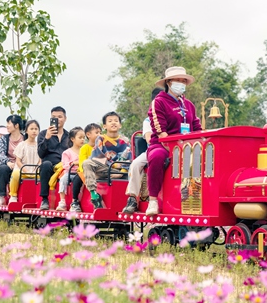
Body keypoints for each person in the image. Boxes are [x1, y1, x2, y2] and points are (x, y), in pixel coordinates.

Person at [145, 66, 202, 216]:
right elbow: (160, 132)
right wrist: (177, 145)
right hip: (163, 145)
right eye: (178, 80)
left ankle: (195, 199)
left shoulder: (189, 105)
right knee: (156, 157)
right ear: (169, 82)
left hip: (188, 145)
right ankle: (153, 200)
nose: (182, 83)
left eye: (184, 81)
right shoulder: (158, 102)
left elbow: (197, 128)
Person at [122, 87, 163, 214]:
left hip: (175, 149)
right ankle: (133, 198)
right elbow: (149, 139)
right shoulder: (148, 121)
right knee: (135, 164)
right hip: (155, 148)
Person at [82, 112, 131, 209]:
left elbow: (129, 158)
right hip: (104, 168)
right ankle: (94, 195)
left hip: (119, 171)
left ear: (120, 125)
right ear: (104, 126)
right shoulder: (100, 139)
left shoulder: (125, 141)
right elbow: (97, 156)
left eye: (116, 121)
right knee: (87, 163)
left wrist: (121, 172)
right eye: (110, 121)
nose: (113, 123)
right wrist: (112, 165)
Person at [37, 107, 69, 210]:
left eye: (60, 117)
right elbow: (41, 154)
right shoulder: (43, 134)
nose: (57, 119)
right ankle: (44, 199)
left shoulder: (69, 136)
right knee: (45, 164)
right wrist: (47, 138)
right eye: (54, 117)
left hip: (65, 166)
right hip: (49, 167)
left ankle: (72, 201)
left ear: (65, 118)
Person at [69, 123, 102, 212]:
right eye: (97, 132)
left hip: (97, 170)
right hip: (84, 170)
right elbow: (82, 162)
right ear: (88, 135)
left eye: (100, 132)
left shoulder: (101, 147)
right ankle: (74, 201)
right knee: (77, 179)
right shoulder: (85, 148)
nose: (99, 135)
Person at [0, 115, 25, 206]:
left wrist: (19, 164)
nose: (7, 126)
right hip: (8, 164)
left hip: (21, 165)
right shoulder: (4, 139)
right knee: (2, 169)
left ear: (16, 125)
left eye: (9, 123)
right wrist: (8, 162)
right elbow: (0, 153)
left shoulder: (25, 138)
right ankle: (1, 197)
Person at [8, 120, 41, 204]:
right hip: (22, 169)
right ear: (26, 130)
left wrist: (35, 170)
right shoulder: (22, 145)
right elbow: (18, 161)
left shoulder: (39, 145)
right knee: (15, 174)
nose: (34, 131)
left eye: (36, 129)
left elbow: (40, 160)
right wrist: (26, 170)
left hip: (35, 170)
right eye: (31, 129)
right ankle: (13, 195)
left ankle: (39, 198)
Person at [55, 127, 85, 211]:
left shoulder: (84, 151)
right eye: (80, 138)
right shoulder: (67, 152)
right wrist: (75, 165)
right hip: (70, 173)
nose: (82, 140)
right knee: (63, 178)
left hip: (81, 173)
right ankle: (62, 201)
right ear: (72, 139)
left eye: (83, 138)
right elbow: (66, 166)